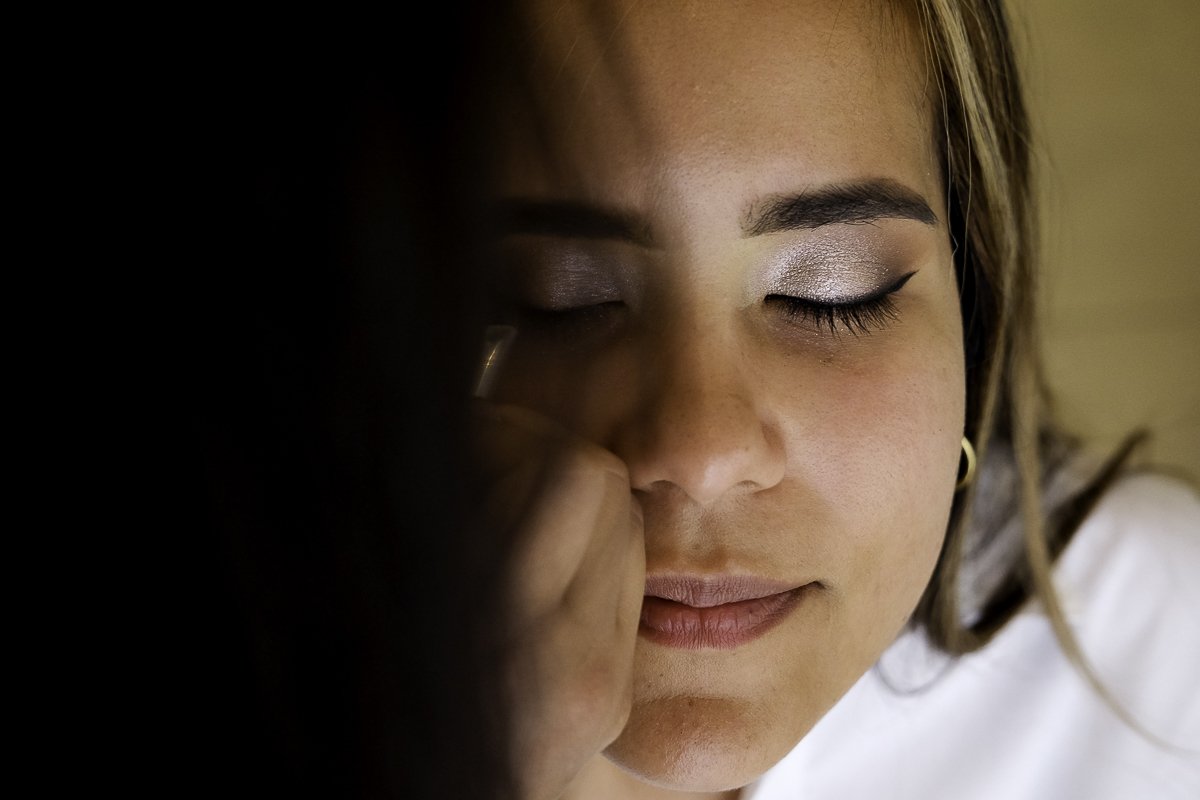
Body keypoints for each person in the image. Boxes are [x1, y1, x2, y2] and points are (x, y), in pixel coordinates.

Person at [467, 0, 1200, 798]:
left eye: (833, 292)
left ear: (974, 328)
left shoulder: (1158, 647)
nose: (704, 457)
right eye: (559, 298)